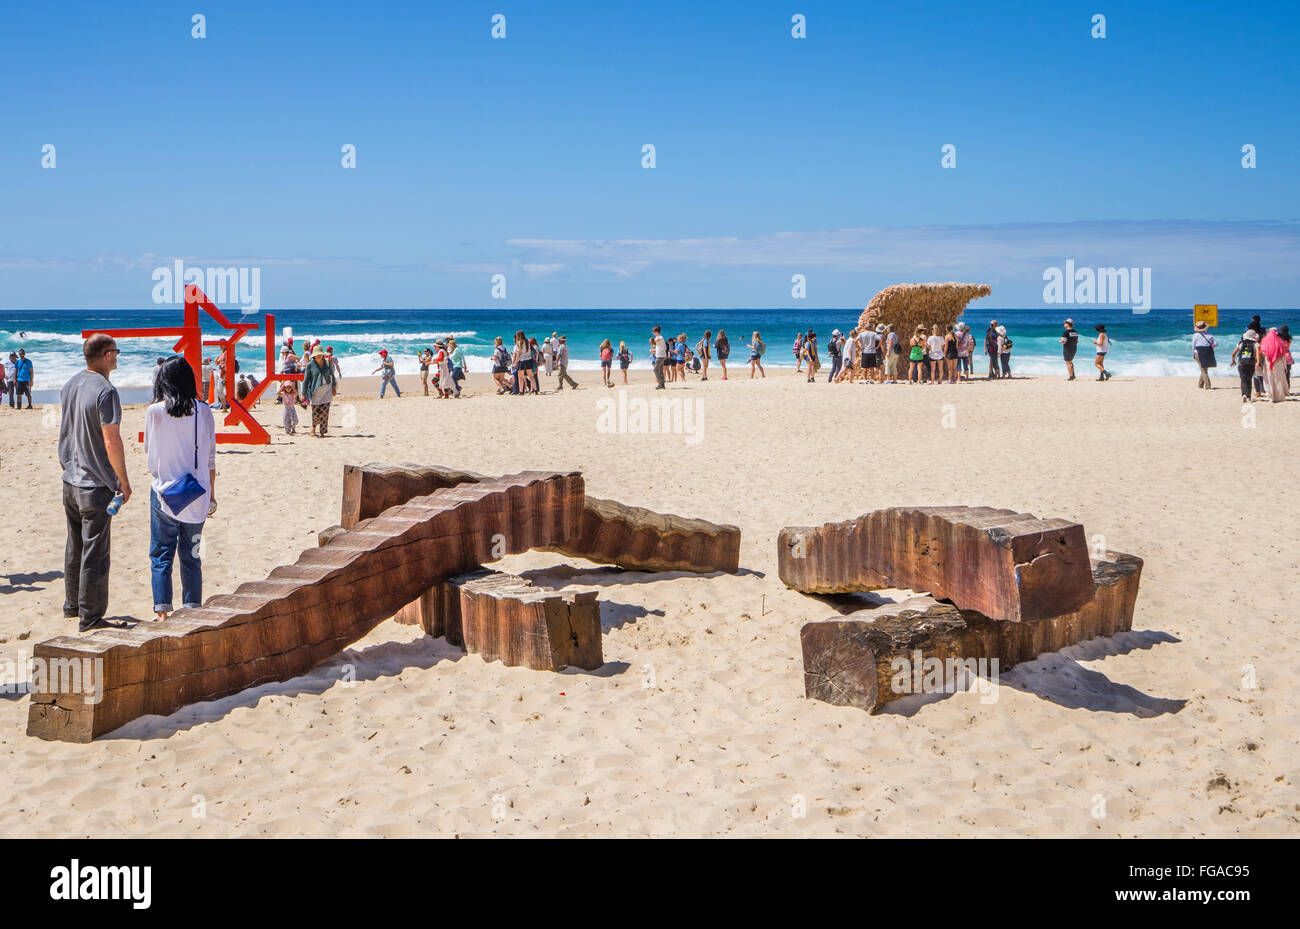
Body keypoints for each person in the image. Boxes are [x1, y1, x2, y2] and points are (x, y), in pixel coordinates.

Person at [59, 333, 130, 632]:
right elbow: (111, 439)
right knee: (95, 553)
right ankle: (91, 617)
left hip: (70, 479)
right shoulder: (105, 390)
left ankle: (72, 605)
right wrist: (123, 482)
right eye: (115, 351)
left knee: (75, 545)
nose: (117, 356)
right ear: (106, 356)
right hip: (94, 483)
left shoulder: (71, 384)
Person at [145, 356, 217, 621]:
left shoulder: (154, 412)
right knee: (191, 555)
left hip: (165, 492)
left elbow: (149, 454)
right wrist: (212, 496)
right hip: (197, 494)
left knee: (161, 553)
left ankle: (163, 611)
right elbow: (210, 457)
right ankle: (191, 610)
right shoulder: (204, 410)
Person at [303, 345, 337, 436]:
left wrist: (334, 387)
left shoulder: (327, 362)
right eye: (316, 355)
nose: (318, 356)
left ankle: (322, 432)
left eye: (320, 354)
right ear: (313, 355)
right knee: (315, 412)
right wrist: (303, 393)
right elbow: (306, 380)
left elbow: (332, 375)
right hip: (315, 391)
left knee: (324, 412)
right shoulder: (310, 365)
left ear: (322, 355)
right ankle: (313, 428)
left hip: (327, 390)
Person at [1259, 327, 1288, 402]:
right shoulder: (1279, 341)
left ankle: (1270, 396)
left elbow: (1262, 352)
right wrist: (1285, 366)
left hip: (1268, 362)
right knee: (1278, 379)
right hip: (1278, 363)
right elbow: (1283, 355)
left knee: (1268, 379)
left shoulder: (1264, 341)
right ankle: (1279, 397)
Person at [1230, 329, 1259, 403]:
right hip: (1251, 363)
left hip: (1241, 363)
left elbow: (1234, 353)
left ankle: (1244, 395)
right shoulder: (1256, 344)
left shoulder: (1241, 343)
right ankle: (1248, 396)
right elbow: (1257, 355)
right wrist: (1257, 362)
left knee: (1243, 380)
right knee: (1249, 379)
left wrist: (1233, 360)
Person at [1192, 321, 1217, 389]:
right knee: (1204, 369)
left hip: (1198, 353)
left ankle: (1208, 386)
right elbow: (1216, 344)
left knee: (1203, 369)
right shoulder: (1210, 335)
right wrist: (1212, 346)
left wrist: (1193, 353)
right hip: (1208, 352)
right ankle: (1200, 385)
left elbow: (1193, 346)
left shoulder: (1195, 335)